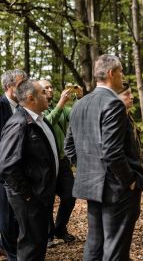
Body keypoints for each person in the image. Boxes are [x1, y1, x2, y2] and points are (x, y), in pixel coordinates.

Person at [64, 54, 143, 261]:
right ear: (111, 73)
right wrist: (129, 181)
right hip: (116, 189)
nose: (122, 77)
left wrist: (87, 168)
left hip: (92, 186)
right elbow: (112, 151)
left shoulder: (79, 104)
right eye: (120, 72)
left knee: (95, 243)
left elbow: (69, 147)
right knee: (115, 247)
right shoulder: (114, 103)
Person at [0, 79, 59, 260]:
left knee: (39, 242)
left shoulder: (40, 119)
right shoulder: (18, 124)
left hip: (41, 195)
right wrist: (27, 196)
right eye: (43, 92)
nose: (48, 94)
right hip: (30, 198)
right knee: (31, 246)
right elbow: (7, 166)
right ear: (31, 98)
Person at [39, 80, 79, 246]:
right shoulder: (37, 110)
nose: (49, 89)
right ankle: (47, 234)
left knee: (70, 195)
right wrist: (61, 104)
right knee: (47, 199)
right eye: (45, 88)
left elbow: (77, 114)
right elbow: (46, 123)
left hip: (62, 161)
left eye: (50, 87)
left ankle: (60, 229)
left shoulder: (62, 109)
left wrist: (80, 97)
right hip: (46, 164)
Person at [0, 69, 27, 261]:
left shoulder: (23, 108)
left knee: (16, 217)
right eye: (21, 84)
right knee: (7, 218)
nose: (26, 87)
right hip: (3, 173)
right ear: (10, 87)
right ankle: (13, 256)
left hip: (21, 173)